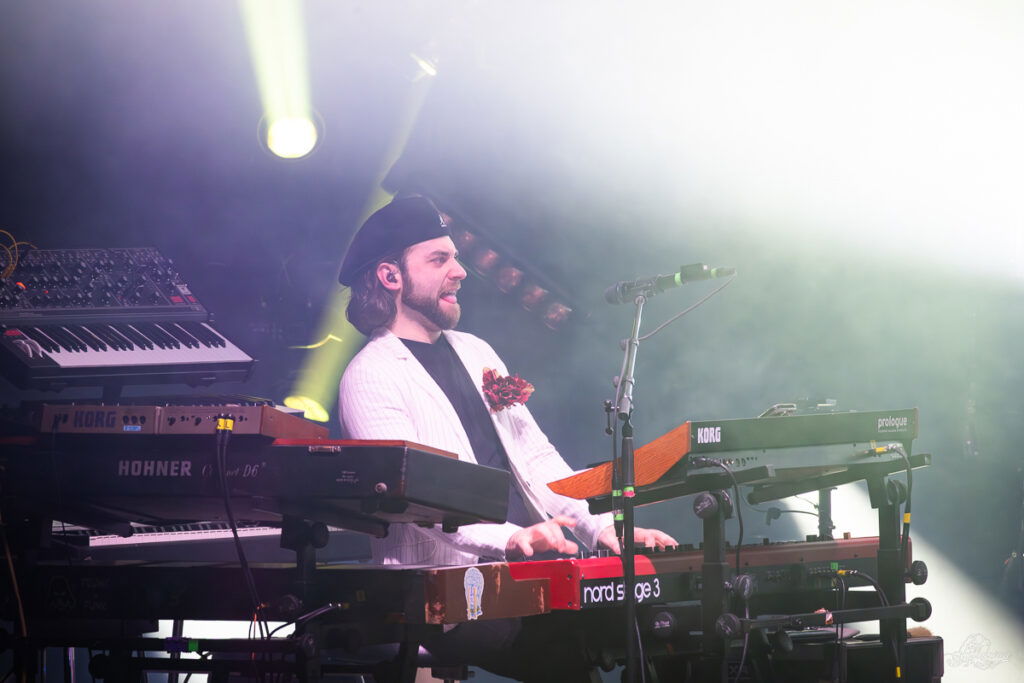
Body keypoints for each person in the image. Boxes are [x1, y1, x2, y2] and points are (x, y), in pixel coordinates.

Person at [336, 196, 677, 680]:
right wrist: (513, 538)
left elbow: (536, 458)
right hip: (447, 589)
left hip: (531, 568)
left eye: (456, 258)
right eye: (439, 259)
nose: (460, 272)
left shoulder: (476, 351)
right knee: (564, 652)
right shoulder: (370, 376)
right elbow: (417, 505)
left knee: (660, 629)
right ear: (391, 276)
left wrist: (601, 529)